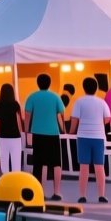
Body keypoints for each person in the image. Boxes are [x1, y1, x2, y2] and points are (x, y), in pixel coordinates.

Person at [25, 73, 67, 201]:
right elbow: (61, 113)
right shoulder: (55, 97)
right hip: (53, 133)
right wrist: (63, 130)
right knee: (56, 163)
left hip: (37, 132)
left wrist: (27, 131)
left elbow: (27, 115)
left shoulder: (32, 97)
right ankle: (57, 192)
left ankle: (40, 192)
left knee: (39, 163)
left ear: (38, 83)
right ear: (49, 83)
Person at [71, 77, 111, 204]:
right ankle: (102, 195)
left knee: (84, 167)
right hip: (99, 137)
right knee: (100, 167)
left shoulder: (79, 102)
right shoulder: (102, 102)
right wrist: (99, 123)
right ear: (96, 88)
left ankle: (82, 195)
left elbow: (74, 119)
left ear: (84, 87)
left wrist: (71, 131)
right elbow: (108, 118)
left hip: (83, 137)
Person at [0, 83, 24, 175]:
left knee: (4, 161)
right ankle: (16, 179)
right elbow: (20, 119)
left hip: (2, 135)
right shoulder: (15, 104)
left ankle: (5, 180)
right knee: (16, 161)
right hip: (15, 135)